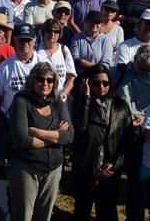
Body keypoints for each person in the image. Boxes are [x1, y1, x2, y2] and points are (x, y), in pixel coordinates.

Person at [9, 62, 73, 221]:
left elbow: (70, 136)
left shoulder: (57, 101)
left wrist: (39, 133)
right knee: (23, 215)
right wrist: (56, 136)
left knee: (44, 216)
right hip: (26, 169)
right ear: (32, 80)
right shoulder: (21, 100)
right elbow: (22, 141)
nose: (45, 83)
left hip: (54, 169)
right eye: (40, 79)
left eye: (50, 80)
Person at [72, 64, 132, 221]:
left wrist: (115, 163)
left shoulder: (121, 107)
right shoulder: (80, 104)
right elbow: (78, 129)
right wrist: (85, 98)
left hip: (110, 168)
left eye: (105, 83)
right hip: (85, 168)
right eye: (96, 83)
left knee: (107, 211)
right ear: (88, 84)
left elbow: (127, 140)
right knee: (82, 210)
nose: (101, 87)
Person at [112, 45, 150, 221]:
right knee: (111, 179)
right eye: (143, 69)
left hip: (138, 135)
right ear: (135, 60)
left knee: (135, 183)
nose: (145, 72)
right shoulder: (117, 73)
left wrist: (145, 117)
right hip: (116, 132)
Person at [0, 24, 49, 130]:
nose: (25, 43)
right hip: (10, 121)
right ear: (14, 40)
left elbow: (55, 95)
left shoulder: (44, 63)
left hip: (39, 121)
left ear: (35, 40)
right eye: (21, 40)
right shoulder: (5, 67)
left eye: (28, 40)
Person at [71, 10, 113, 75]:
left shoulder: (106, 40)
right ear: (86, 22)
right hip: (79, 75)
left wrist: (95, 69)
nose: (94, 24)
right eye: (92, 21)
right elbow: (75, 58)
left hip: (98, 76)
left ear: (101, 24)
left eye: (97, 22)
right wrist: (95, 67)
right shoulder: (77, 38)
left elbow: (106, 62)